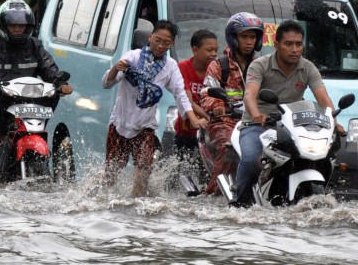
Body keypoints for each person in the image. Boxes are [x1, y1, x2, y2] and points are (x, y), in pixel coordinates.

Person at [231, 19, 344, 207]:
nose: (294, 49)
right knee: (252, 160)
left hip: (290, 126)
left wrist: (334, 121)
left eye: (298, 44)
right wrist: (257, 114)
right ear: (276, 45)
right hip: (258, 126)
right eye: (288, 44)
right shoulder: (260, 65)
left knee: (325, 157)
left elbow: (323, 98)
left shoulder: (307, 67)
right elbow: (249, 95)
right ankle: (239, 203)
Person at [103, 20, 208, 197]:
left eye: (166, 43)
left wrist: (193, 119)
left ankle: (137, 205)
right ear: (150, 37)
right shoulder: (133, 57)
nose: (160, 46)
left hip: (146, 126)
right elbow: (107, 83)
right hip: (120, 123)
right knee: (111, 174)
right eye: (157, 40)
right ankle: (101, 198)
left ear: (172, 44)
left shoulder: (170, 66)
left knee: (143, 173)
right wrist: (115, 68)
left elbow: (181, 94)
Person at [0, 0, 72, 136]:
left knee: (53, 96)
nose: (17, 29)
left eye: (21, 25)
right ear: (3, 25)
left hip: (30, 100)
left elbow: (49, 67)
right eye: (13, 25)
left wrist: (60, 83)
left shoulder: (35, 46)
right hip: (0, 100)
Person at [200, 12, 264, 195]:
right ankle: (215, 193)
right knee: (229, 148)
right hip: (225, 121)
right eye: (244, 37)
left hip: (253, 121)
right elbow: (206, 93)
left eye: (253, 37)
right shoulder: (219, 65)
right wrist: (217, 105)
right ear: (233, 38)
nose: (249, 42)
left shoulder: (261, 65)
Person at [173, 29, 217, 159]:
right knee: (181, 167)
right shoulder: (183, 67)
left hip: (211, 133)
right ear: (195, 50)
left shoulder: (216, 69)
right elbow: (188, 101)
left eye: (216, 50)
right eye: (209, 50)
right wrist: (209, 117)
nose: (214, 54)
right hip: (186, 132)